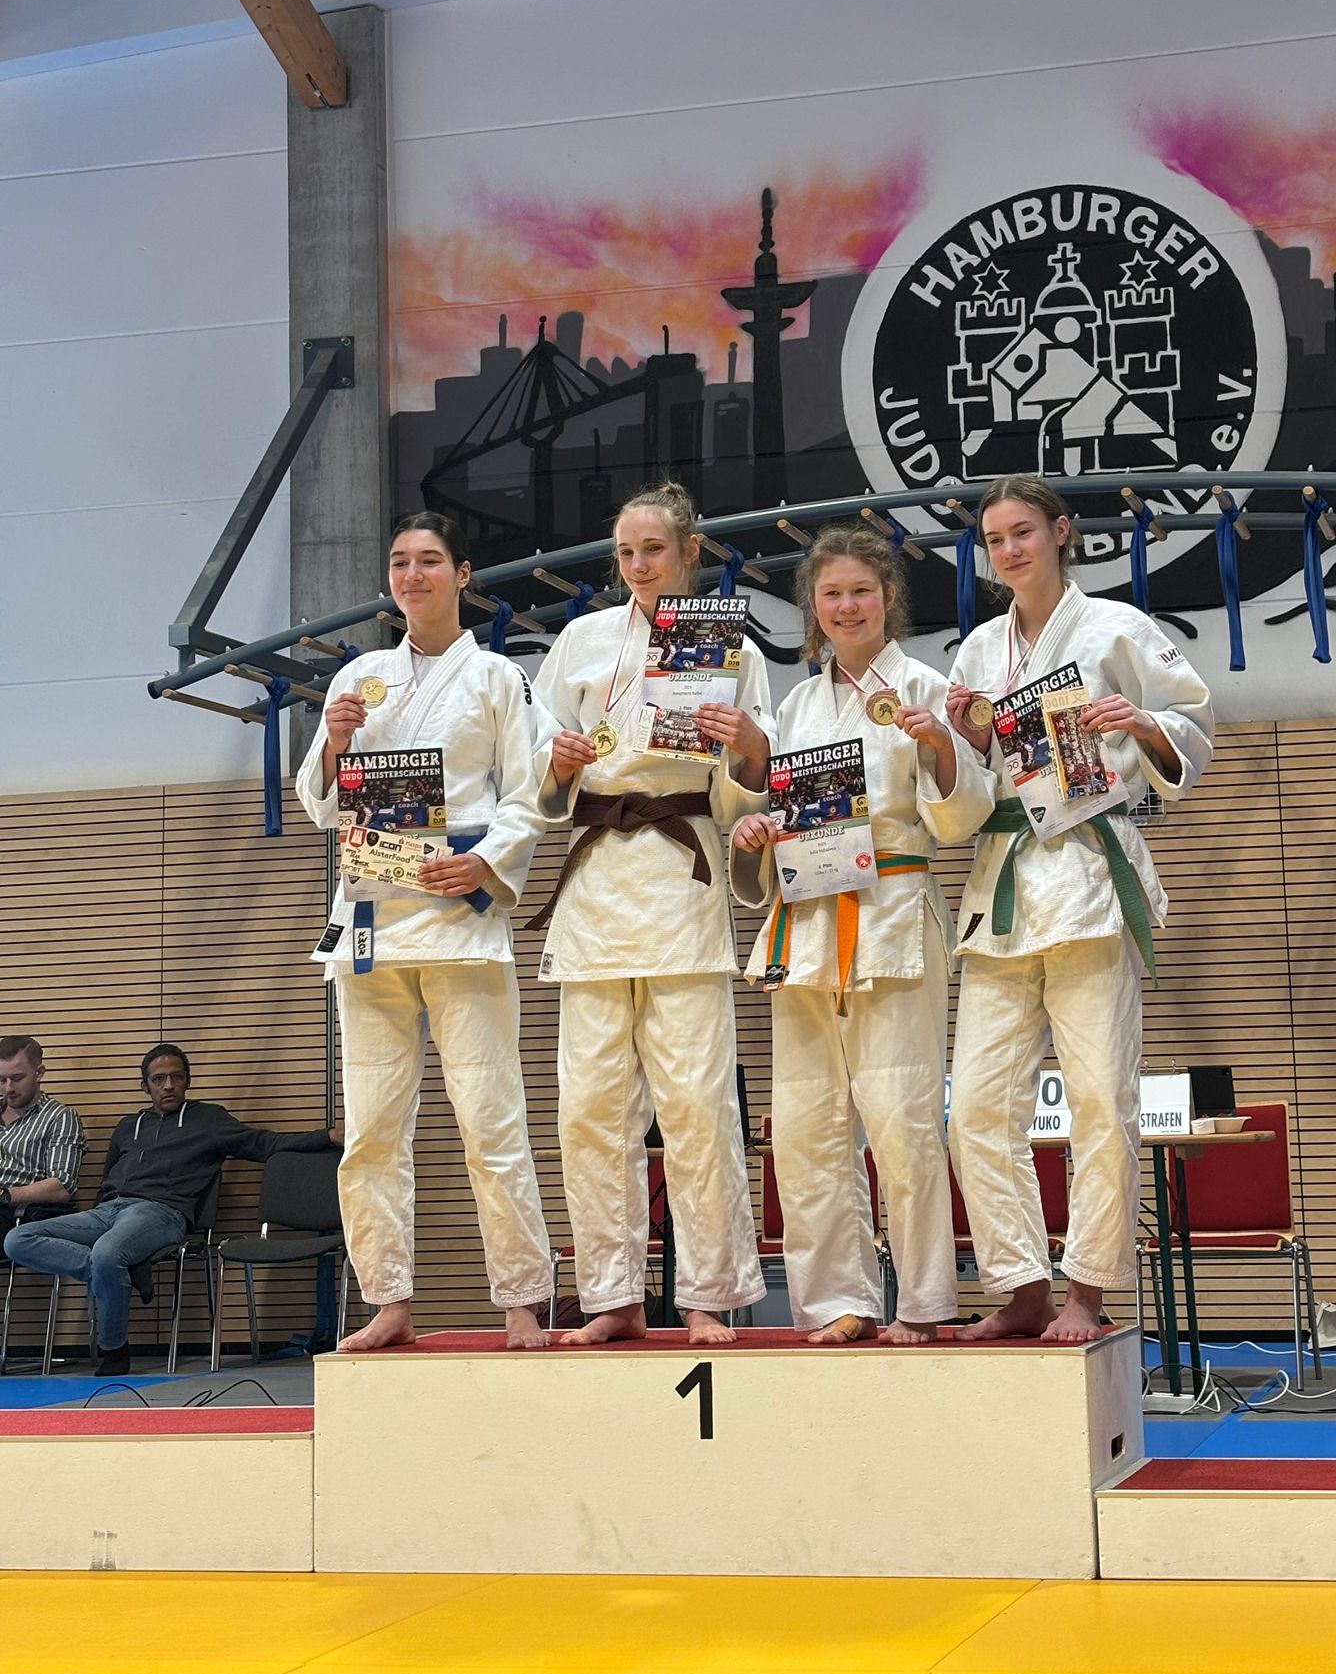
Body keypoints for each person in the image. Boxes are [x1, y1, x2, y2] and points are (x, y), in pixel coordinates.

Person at [945, 475, 1213, 1344]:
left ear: (1061, 533)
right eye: (995, 539)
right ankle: (1020, 1282)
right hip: (1005, 882)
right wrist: (963, 740)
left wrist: (1141, 724)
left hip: (1092, 877)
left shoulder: (1118, 629)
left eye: (1023, 531)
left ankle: (1088, 1290)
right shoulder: (979, 650)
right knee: (977, 1107)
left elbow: (1196, 727)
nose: (1010, 550)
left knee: (1101, 1098)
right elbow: (961, 785)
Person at [298, 511, 557, 1353]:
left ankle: (522, 1299)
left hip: (460, 917)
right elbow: (319, 802)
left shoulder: (499, 678)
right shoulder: (362, 677)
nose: (415, 575)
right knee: (372, 1129)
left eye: (431, 561)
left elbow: (528, 797)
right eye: (401, 562)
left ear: (463, 574)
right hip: (371, 922)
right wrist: (334, 744)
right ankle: (389, 1300)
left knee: (490, 1116)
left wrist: (486, 865)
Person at [730, 527, 992, 1344]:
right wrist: (757, 835)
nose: (847, 606)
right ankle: (838, 1300)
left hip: (893, 911)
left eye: (862, 592)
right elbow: (775, 816)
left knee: (904, 1117)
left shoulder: (923, 686)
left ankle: (922, 1300)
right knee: (806, 1126)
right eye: (832, 594)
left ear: (888, 600)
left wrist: (941, 747)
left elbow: (962, 817)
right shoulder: (797, 704)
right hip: (806, 924)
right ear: (813, 606)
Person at [531, 480, 771, 1344]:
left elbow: (753, 777)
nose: (638, 566)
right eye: (627, 553)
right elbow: (538, 768)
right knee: (590, 1109)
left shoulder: (730, 644)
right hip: (596, 882)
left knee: (698, 1102)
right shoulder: (582, 640)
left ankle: (707, 1294)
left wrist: (749, 751)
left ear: (690, 551)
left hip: (684, 874)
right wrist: (556, 764)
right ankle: (613, 1297)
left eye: (655, 551)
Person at [4, 1044, 337, 1377]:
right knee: (18, 1239)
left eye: (176, 1077)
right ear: (145, 1086)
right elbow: (108, 1179)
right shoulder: (128, 1126)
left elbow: (267, 1144)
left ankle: (115, 1350)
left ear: (187, 1081)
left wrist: (327, 1136)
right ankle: (115, 1273)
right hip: (109, 1210)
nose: (168, 1085)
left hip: (161, 1212)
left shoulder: (209, 1120)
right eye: (159, 1079)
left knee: (108, 1252)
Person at [1, 1036, 85, 1237]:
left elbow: (62, 1187)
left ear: (39, 1073)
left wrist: (5, 1195)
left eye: (17, 1078)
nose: (8, 1088)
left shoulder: (60, 1117)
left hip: (17, 1213)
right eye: (1, 1080)